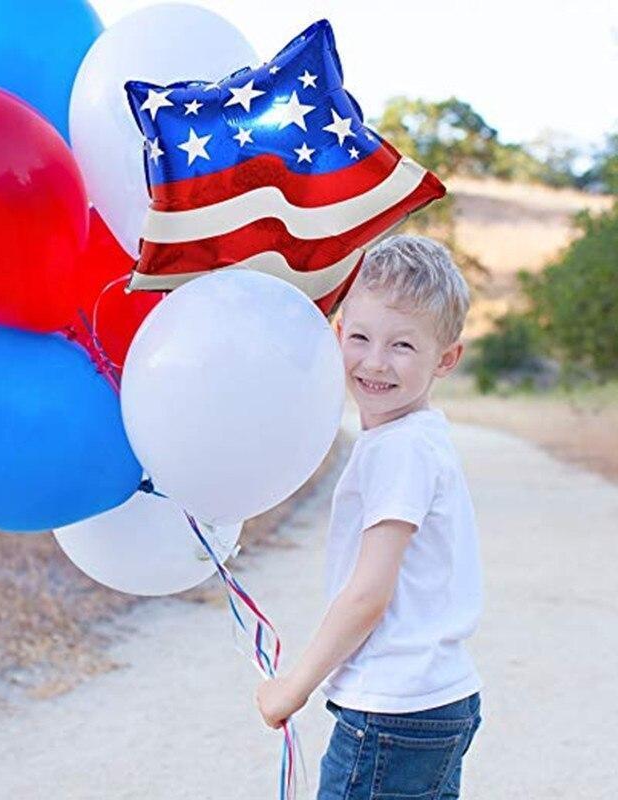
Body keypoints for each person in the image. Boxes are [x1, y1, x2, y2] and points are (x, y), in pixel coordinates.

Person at [255, 235, 484, 799]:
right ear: (337, 335)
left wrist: (296, 687)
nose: (375, 362)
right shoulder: (417, 437)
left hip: (391, 711)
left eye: (403, 345)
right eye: (360, 337)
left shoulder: (399, 450)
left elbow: (368, 593)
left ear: (446, 358)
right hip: (433, 702)